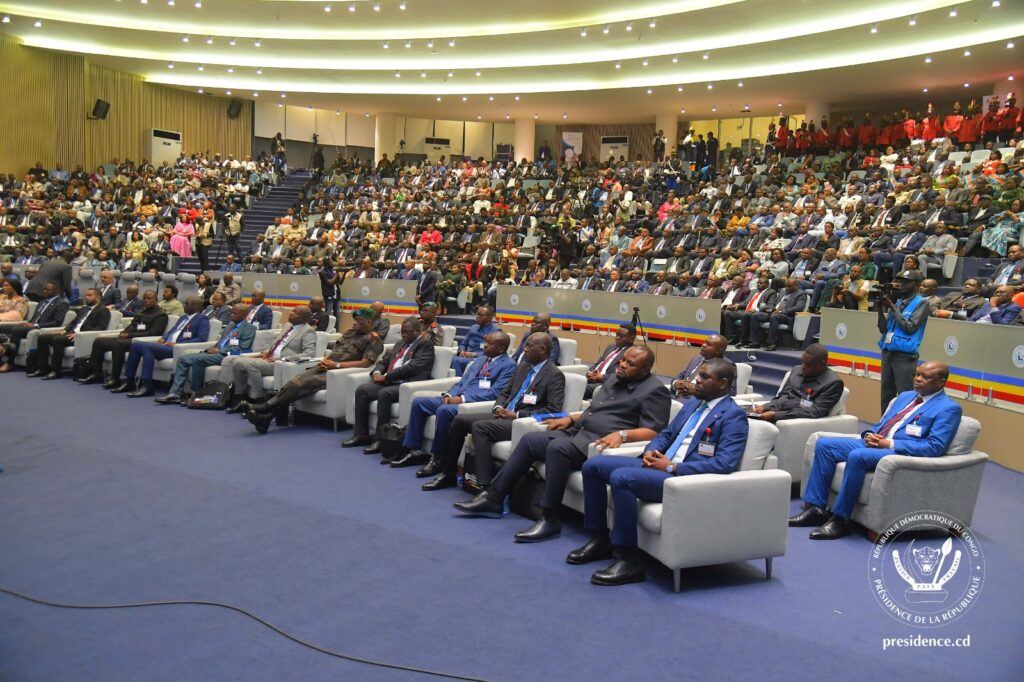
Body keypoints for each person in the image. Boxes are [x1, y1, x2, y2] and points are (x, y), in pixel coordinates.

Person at [453, 346, 671, 545]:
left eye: (630, 364)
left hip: (599, 443)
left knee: (558, 449)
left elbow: (655, 430)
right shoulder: (615, 379)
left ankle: (550, 518)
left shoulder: (655, 391)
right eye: (622, 360)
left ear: (646, 370)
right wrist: (571, 418)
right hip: (579, 431)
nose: (622, 365)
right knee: (530, 440)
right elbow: (595, 411)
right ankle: (494, 497)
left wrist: (623, 435)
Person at [570, 358, 748, 585]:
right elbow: (666, 434)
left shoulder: (733, 416)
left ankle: (629, 560)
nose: (697, 380)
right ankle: (600, 539)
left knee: (622, 478)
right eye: (699, 375)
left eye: (705, 377)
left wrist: (673, 466)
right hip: (660, 465)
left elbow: (724, 463)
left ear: (723, 383)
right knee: (593, 466)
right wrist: (650, 451)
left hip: (681, 477)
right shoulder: (693, 403)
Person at [791, 361, 962, 539]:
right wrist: (869, 435)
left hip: (900, 452)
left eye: (925, 377)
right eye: (917, 374)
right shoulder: (905, 396)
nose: (918, 379)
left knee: (858, 456)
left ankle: (840, 520)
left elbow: (934, 447)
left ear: (940, 383)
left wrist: (889, 444)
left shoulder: (948, 408)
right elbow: (882, 424)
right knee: (825, 445)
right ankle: (817, 509)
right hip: (877, 443)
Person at [419, 332, 566, 490]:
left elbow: (553, 410)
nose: (524, 349)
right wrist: (498, 407)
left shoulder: (554, 375)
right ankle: (448, 473)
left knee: (480, 427)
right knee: (459, 420)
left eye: (530, 346)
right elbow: (505, 392)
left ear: (542, 350)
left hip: (520, 422)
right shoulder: (523, 367)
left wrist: (517, 415)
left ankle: (485, 486)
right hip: (503, 414)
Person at [241, 307, 384, 433]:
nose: (355, 324)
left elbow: (365, 363)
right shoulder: (350, 333)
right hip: (325, 366)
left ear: (369, 322)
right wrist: (325, 361)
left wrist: (336, 365)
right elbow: (335, 351)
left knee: (301, 383)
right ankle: (266, 418)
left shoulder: (374, 340)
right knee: (294, 381)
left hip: (337, 373)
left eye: (359, 322)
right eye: (355, 321)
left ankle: (265, 408)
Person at [390, 331, 516, 468]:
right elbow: (462, 381)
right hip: (456, 398)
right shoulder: (481, 359)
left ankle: (437, 458)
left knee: (444, 410)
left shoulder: (509, 365)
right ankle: (413, 450)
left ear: (501, 349)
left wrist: (462, 399)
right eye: (485, 342)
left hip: (473, 404)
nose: (484, 345)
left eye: (489, 344)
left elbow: (495, 393)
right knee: (419, 402)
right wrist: (449, 395)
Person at [341, 317, 435, 454]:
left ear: (417, 331)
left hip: (408, 384)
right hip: (389, 381)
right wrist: (377, 372)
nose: (404, 335)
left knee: (384, 393)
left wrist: (386, 377)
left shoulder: (425, 345)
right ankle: (361, 435)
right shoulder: (400, 343)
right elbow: (384, 362)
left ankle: (380, 439)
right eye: (402, 331)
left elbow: (413, 368)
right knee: (362, 390)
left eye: (407, 332)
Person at [155, 304, 256, 405]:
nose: (231, 315)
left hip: (227, 356)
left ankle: (176, 393)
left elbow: (243, 348)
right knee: (194, 361)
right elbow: (220, 342)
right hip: (216, 353)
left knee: (183, 359)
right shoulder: (230, 326)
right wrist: (211, 348)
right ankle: (195, 395)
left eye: (235, 313)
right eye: (231, 313)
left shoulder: (249, 328)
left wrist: (221, 351)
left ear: (244, 315)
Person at [114, 296, 210, 397]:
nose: (184, 305)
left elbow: (201, 338)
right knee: (136, 345)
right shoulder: (183, 318)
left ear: (195, 306)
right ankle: (129, 381)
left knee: (147, 347)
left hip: (177, 349)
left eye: (186, 303)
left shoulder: (202, 319)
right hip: (166, 345)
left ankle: (146, 385)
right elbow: (171, 331)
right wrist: (163, 338)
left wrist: (177, 344)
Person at [224, 305, 317, 410]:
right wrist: (265, 352)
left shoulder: (308, 331)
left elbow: (308, 353)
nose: (291, 313)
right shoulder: (288, 325)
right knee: (236, 362)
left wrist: (281, 359)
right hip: (268, 358)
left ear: (305, 318)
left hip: (281, 364)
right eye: (292, 311)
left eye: (296, 313)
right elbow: (277, 344)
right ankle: (240, 398)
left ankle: (255, 400)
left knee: (250, 365)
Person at [81, 289, 168, 387]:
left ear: (156, 300)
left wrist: (129, 335)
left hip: (139, 341)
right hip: (127, 338)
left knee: (118, 344)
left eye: (149, 298)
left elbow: (154, 333)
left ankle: (115, 378)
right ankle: (96, 373)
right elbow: (132, 325)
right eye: (144, 298)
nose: (146, 300)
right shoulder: (142, 312)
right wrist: (124, 332)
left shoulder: (160, 315)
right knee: (99, 341)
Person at [28, 287, 111, 379]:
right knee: (42, 338)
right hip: (71, 334)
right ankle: (43, 368)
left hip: (82, 337)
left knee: (57, 340)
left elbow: (101, 328)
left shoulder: (103, 310)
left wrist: (79, 335)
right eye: (86, 295)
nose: (86, 297)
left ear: (98, 297)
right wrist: (64, 330)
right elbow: (73, 322)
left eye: (89, 295)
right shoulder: (84, 308)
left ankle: (55, 371)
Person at [877, 269, 929, 413]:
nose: (901, 284)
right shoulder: (898, 302)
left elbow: (910, 327)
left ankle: (902, 425)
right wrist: (880, 309)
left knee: (905, 395)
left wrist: (892, 307)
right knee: (886, 395)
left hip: (904, 356)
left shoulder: (922, 303)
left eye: (906, 281)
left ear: (917, 284)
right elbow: (883, 329)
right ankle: (884, 423)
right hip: (887, 352)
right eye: (899, 281)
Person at [749, 344, 844, 422]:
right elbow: (783, 395)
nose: (803, 366)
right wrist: (765, 407)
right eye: (803, 362)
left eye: (807, 364)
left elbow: (814, 412)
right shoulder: (796, 370)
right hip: (777, 412)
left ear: (821, 364)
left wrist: (775, 415)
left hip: (793, 422)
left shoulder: (833, 383)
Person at [0, 281, 69, 370]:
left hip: (41, 328)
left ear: (57, 291)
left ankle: (10, 362)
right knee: (2, 327)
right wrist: (27, 323)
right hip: (32, 326)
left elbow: (57, 322)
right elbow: (34, 319)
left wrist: (36, 325)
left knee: (16, 330)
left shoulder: (61, 304)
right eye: (44, 289)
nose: (44, 291)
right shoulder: (42, 302)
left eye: (48, 290)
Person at [744, 277, 808, 351]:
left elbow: (798, 308)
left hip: (787, 316)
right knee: (755, 315)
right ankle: (754, 342)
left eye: (789, 286)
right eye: (786, 286)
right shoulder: (783, 291)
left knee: (774, 316)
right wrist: (770, 309)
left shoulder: (801, 294)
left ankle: (771, 343)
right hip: (774, 312)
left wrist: (781, 311)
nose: (787, 288)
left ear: (796, 285)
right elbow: (774, 303)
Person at [584, 323, 636, 399]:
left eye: (621, 336)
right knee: (571, 382)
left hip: (605, 383)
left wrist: (602, 377)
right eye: (617, 335)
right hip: (592, 378)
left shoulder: (631, 353)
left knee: (580, 388)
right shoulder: (611, 347)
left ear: (631, 338)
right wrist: (590, 372)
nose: (617, 338)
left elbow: (623, 376)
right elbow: (598, 363)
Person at [670, 334, 730, 399]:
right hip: (678, 396)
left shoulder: (726, 366)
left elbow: (730, 392)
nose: (704, 345)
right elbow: (681, 375)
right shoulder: (697, 358)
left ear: (719, 351)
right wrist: (676, 383)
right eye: (705, 342)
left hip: (698, 401)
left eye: (709, 344)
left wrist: (697, 391)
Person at [723, 275, 778, 346]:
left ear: (767, 284)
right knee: (727, 313)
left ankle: (744, 340)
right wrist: (737, 305)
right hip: (746, 311)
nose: (758, 284)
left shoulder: (771, 292)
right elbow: (745, 302)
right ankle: (733, 337)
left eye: (761, 283)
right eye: (758, 283)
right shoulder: (754, 291)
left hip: (759, 312)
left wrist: (757, 309)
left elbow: (770, 305)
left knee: (745, 315)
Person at [451, 305, 500, 375]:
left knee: (455, 360)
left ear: (490, 317)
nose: (477, 316)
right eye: (477, 314)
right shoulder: (473, 328)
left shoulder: (495, 331)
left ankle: (459, 380)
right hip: (466, 356)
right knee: (450, 359)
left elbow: (493, 351)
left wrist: (474, 354)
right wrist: (461, 351)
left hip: (481, 358)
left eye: (481, 315)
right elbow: (464, 344)